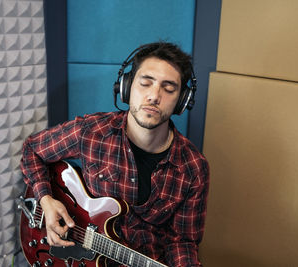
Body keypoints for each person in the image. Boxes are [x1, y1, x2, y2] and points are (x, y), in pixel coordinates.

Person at [20, 41, 210, 266]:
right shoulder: (92, 132)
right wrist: (47, 200)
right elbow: (32, 149)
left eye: (168, 89)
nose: (154, 96)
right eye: (145, 83)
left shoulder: (193, 168)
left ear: (182, 101)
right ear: (127, 87)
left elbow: (183, 242)